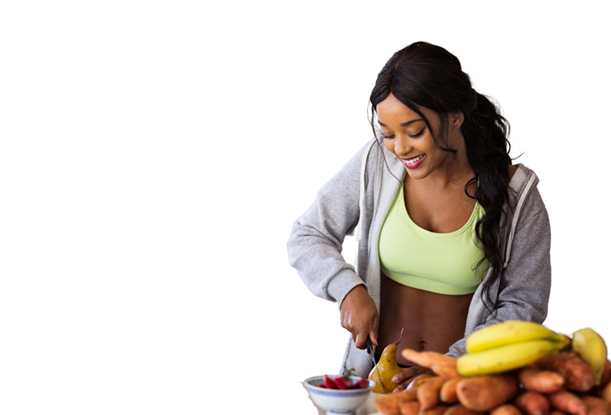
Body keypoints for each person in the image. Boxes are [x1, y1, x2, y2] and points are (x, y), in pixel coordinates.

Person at [287, 41, 551, 392]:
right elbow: (307, 234)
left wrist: (450, 367)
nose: (400, 148)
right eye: (388, 134)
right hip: (376, 386)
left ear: (456, 115)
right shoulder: (376, 165)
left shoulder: (516, 195)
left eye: (414, 132)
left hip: (462, 390)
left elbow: (524, 304)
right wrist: (348, 288)